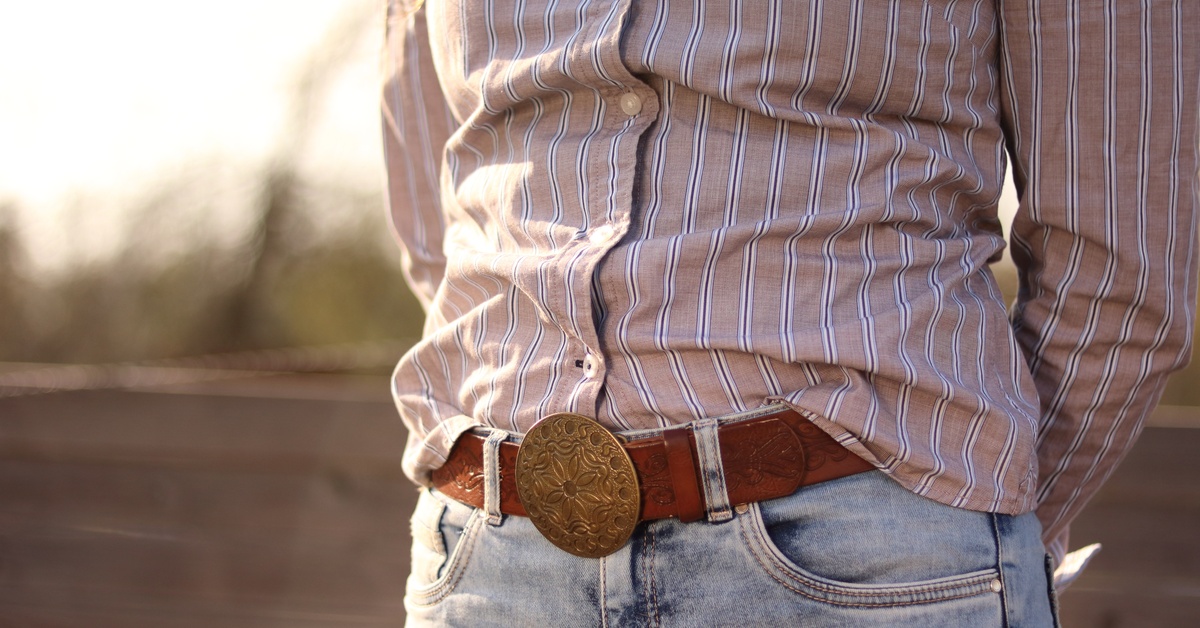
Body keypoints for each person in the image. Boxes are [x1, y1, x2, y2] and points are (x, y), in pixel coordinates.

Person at [381, 0, 1198, 624]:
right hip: (489, 566)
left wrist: (977, 512)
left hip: (868, 569)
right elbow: (438, 224)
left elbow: (1121, 272)